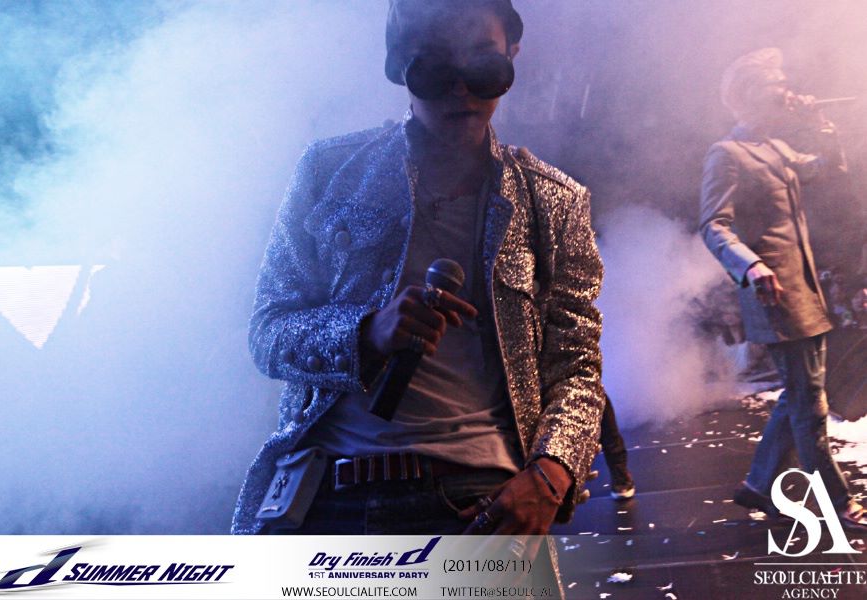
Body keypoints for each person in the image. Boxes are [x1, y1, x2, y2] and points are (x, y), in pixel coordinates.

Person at [233, 0, 605, 550]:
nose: (461, 89)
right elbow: (268, 333)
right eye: (434, 67)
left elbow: (577, 366)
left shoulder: (553, 201)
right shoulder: (328, 171)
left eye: (483, 65)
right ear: (398, 64)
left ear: (512, 55)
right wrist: (365, 333)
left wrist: (551, 476)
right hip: (327, 500)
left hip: (480, 502)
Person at [699, 47, 866, 529]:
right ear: (752, 94)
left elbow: (828, 170)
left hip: (804, 290)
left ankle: (759, 483)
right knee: (810, 404)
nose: (787, 93)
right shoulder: (727, 154)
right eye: (778, 87)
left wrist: (821, 124)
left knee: (800, 394)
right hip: (773, 295)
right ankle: (838, 501)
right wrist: (749, 266)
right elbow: (713, 224)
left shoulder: (775, 148)